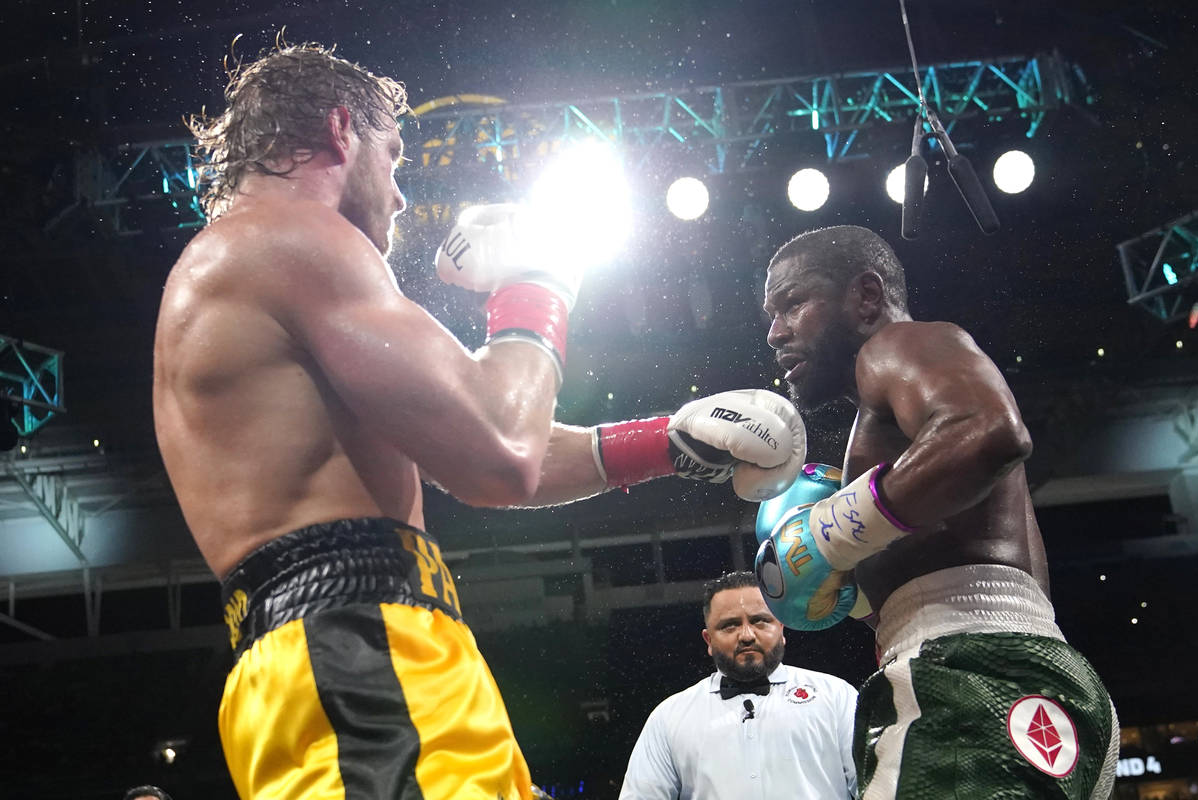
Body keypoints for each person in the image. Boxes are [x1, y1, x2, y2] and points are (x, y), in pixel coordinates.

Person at [153, 42, 806, 800]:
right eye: (393, 157)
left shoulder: (245, 265)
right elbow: (502, 451)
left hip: (344, 655)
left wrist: (669, 441)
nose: (399, 197)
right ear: (340, 131)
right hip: (361, 654)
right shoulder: (292, 238)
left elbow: (476, 447)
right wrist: (539, 281)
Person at [754, 225, 1119, 799]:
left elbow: (990, 432)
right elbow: (941, 569)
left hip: (970, 676)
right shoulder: (891, 425)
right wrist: (842, 585)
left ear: (866, 296)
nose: (775, 332)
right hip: (1022, 673)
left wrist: (825, 537)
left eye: (792, 304)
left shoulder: (897, 346)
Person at [618, 571, 857, 800]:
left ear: (781, 629)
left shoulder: (835, 696)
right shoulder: (669, 718)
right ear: (709, 640)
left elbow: (877, 786)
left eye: (760, 621)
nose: (746, 635)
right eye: (729, 625)